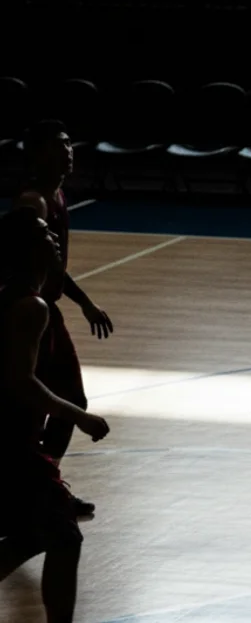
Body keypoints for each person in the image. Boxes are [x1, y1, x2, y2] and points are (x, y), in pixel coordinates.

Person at [0, 205, 111, 623]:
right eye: (45, 234)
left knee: (37, 533)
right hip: (12, 443)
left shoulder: (12, 294)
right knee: (64, 535)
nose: (54, 238)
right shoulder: (31, 307)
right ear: (29, 249)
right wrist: (78, 415)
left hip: (13, 440)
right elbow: (21, 381)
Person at [11, 120, 113, 519]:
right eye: (58, 146)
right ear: (38, 155)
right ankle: (36, 488)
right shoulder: (33, 202)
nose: (67, 152)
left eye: (69, 144)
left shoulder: (58, 194)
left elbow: (52, 266)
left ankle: (43, 482)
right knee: (32, 405)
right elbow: (25, 258)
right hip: (30, 309)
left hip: (47, 309)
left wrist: (85, 303)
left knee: (71, 398)